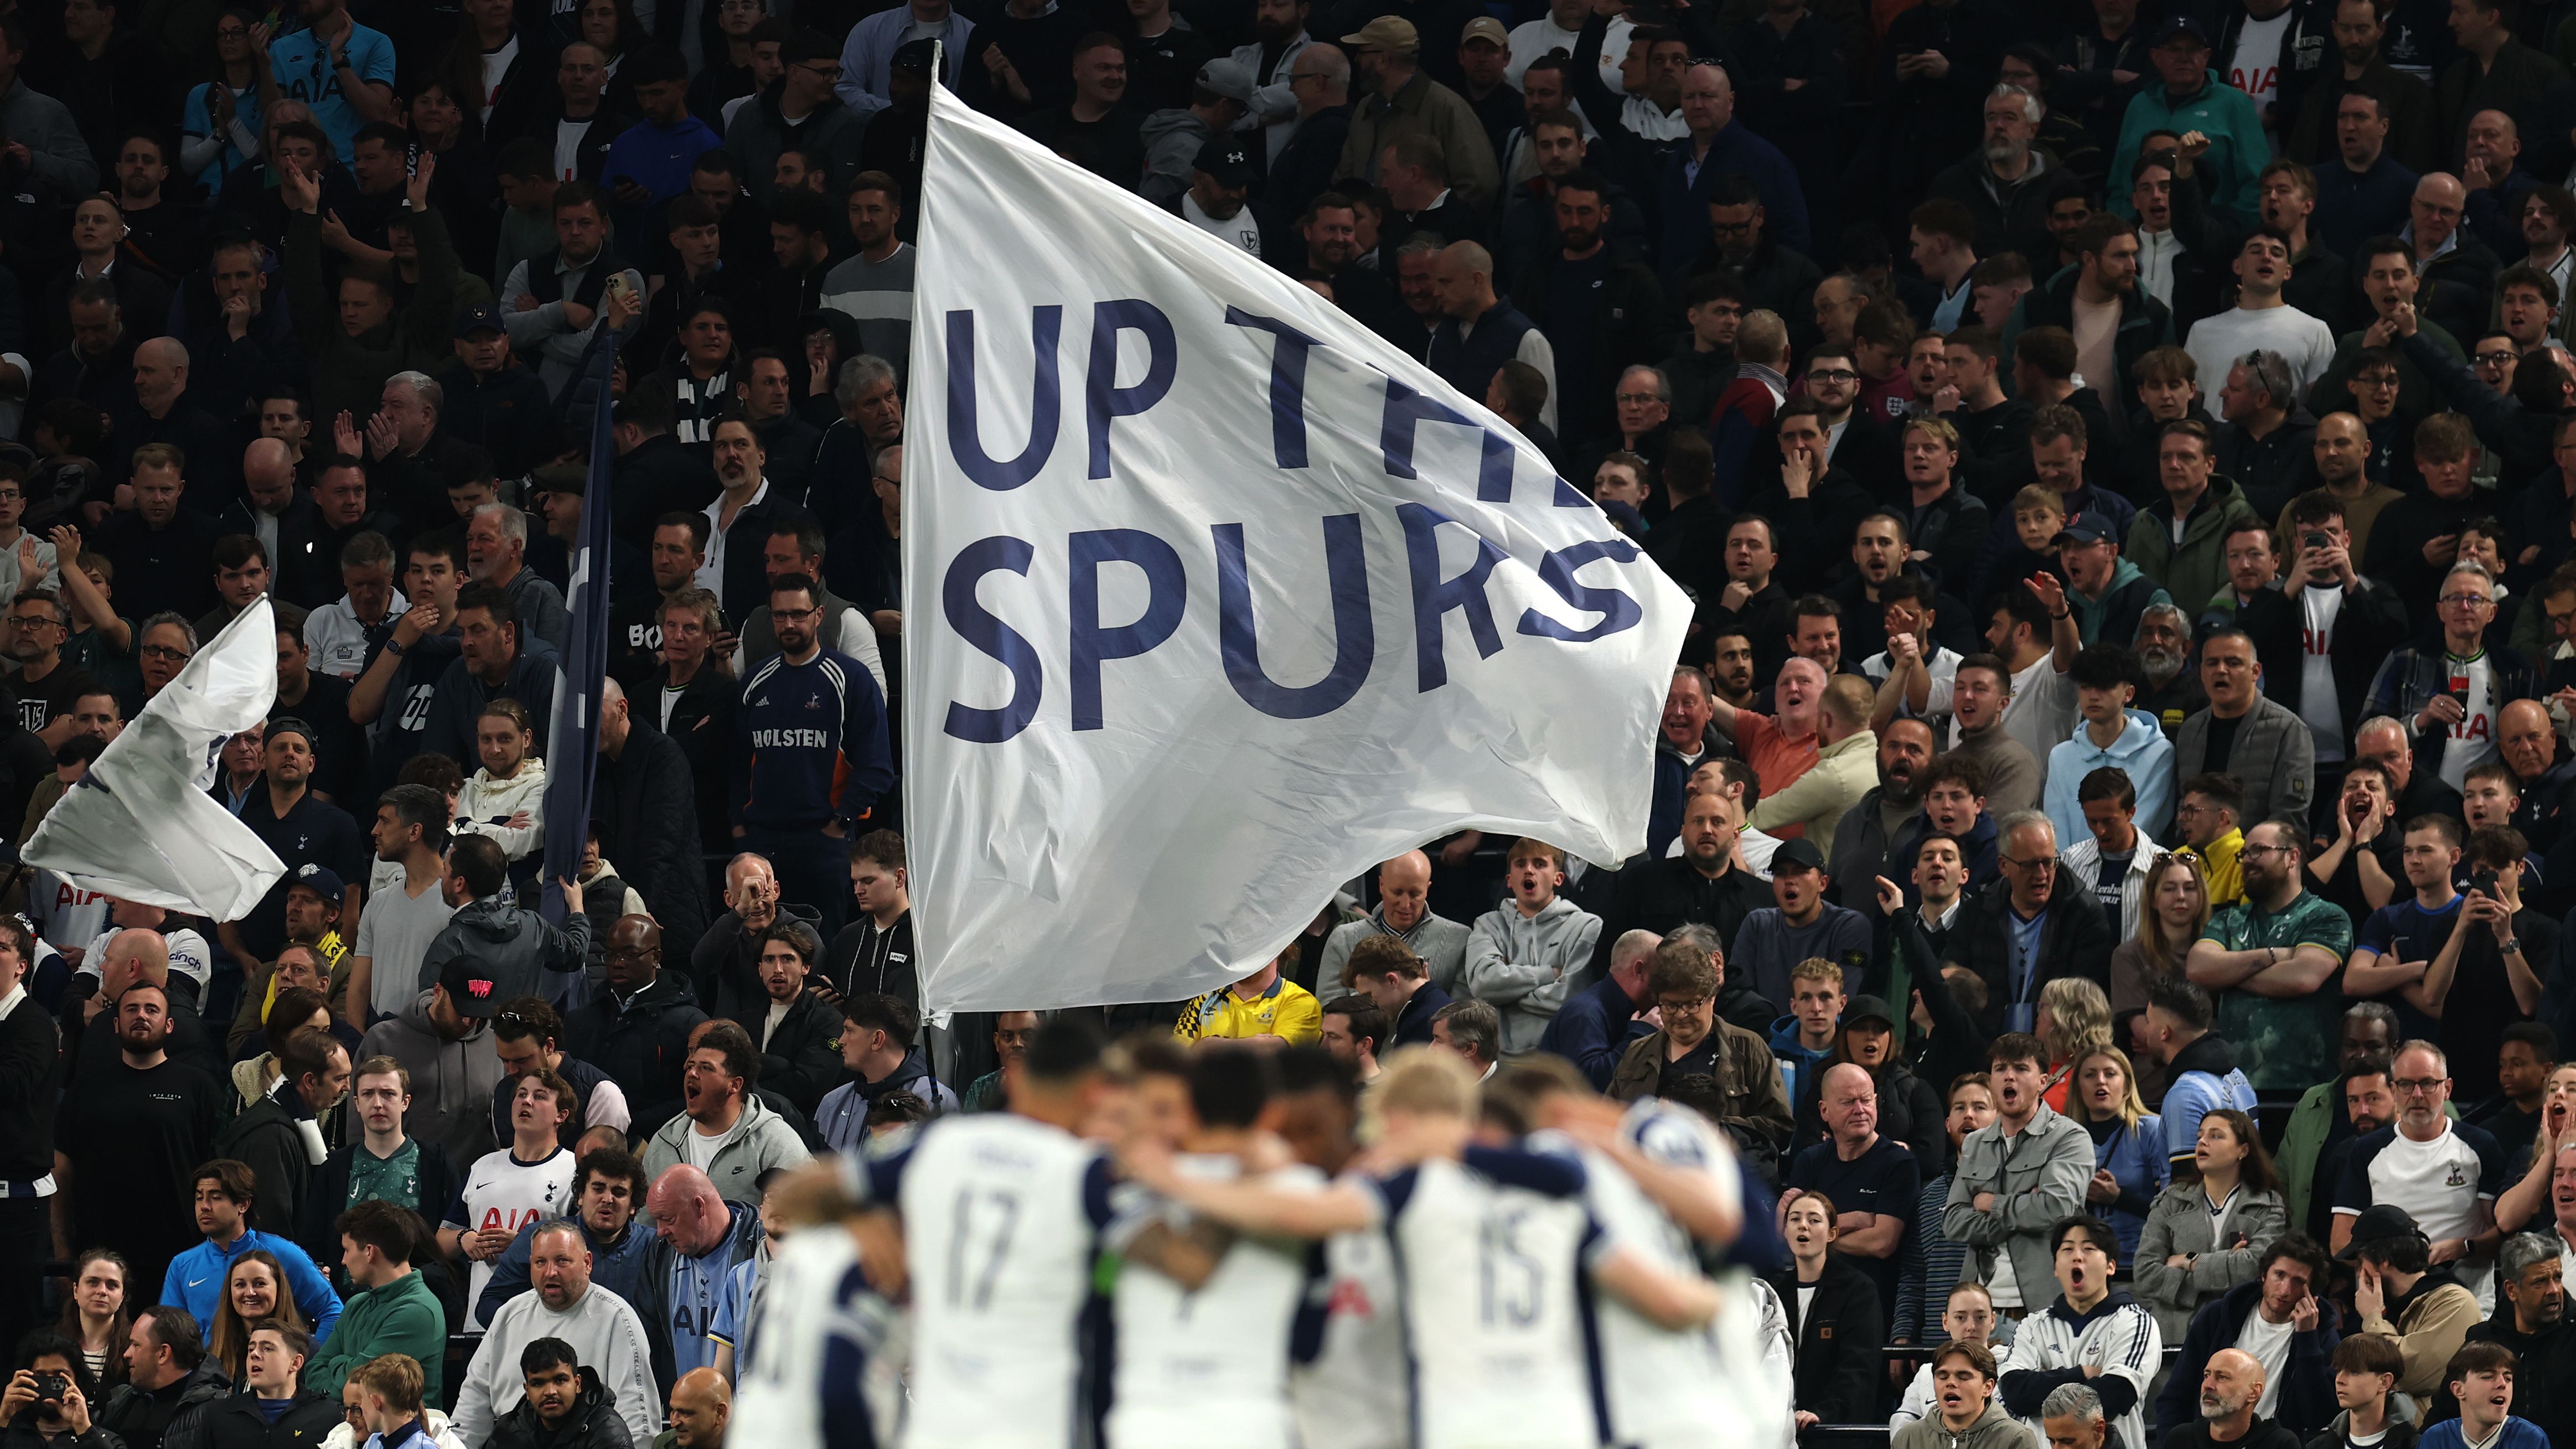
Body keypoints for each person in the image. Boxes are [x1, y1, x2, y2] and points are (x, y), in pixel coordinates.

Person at [54, 981, 220, 1302]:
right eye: (132, 1009)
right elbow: (61, 1171)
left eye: (151, 1009)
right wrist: (62, 1252)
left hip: (179, 1254)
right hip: (100, 1257)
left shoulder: (199, 1087)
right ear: (116, 1024)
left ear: (169, 1025)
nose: (141, 1016)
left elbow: (218, 1170)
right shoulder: (86, 1089)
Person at [449, 1221, 656, 1449]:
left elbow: (636, 1424)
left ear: (587, 1263)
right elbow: (472, 1405)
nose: (550, 1272)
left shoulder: (618, 1318)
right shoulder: (508, 1315)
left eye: (562, 1261)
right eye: (540, 1262)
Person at [2333, 1042, 2506, 1306]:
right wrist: (2395, 1265)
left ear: (2447, 1088)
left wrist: (2464, 1247)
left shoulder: (2481, 1146)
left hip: (2468, 1305)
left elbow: (2502, 1234)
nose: (2416, 1094)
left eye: (2427, 1083)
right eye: (2406, 1084)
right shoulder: (2366, 1151)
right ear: (2393, 1090)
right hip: (2389, 1307)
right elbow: (2340, 1242)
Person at [1607, 939, 1795, 1170]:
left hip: (1724, 1180)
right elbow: (1610, 1118)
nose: (1680, 1015)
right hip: (1648, 1180)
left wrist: (1713, 1129)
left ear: (1712, 997)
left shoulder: (1749, 1048)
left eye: (1691, 1004)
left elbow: (1780, 1127)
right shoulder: (1638, 1052)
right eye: (1670, 1005)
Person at [1945, 1034, 2096, 1317]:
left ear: (2043, 1081)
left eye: (2021, 1068)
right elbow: (1953, 1221)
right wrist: (2025, 1212)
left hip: (2044, 1307)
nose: (2009, 1077)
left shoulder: (2069, 1138)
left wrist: (1992, 1204)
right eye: (2000, 1068)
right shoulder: (1975, 1143)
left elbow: (2056, 1208)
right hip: (1979, 1311)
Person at [1996, 1214, 2164, 1449]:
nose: (2077, 1256)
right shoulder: (2033, 1326)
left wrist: (2043, 1380)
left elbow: (2116, 1395)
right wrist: (2082, 1373)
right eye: (2067, 1249)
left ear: (2111, 1266)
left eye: (2089, 1249)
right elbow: (2015, 1392)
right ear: (2055, 1268)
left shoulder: (2135, 1323)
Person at [2155, 1235, 2340, 1438]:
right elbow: (2177, 1395)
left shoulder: (2321, 1335)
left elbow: (2318, 1416)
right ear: (2264, 1274)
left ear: (2310, 1291)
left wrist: (2307, 1339)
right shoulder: (2219, 1317)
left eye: (2298, 1282)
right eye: (2279, 1275)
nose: (2285, 1289)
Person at [2137, 1108, 2290, 1343]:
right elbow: (2145, 1272)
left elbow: (2255, 1268)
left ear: (2243, 1150)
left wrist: (2189, 1261)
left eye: (2216, 1136)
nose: (2203, 1142)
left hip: (2240, 1338)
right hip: (2174, 1338)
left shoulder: (2267, 1205)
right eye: (2200, 1136)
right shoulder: (2171, 1200)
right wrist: (2226, 1271)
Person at [1784, 1061, 1922, 1311]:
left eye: (1866, 1100)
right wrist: (1855, 1220)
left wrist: (1817, 1239)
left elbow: (1882, 1242)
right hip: (1813, 1300)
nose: (1860, 1110)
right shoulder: (1810, 1161)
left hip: (1871, 1303)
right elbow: (1790, 1235)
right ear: (1824, 1111)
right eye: (1848, 1102)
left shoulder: (1899, 1163)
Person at [446, 1070, 579, 1327]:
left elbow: (583, 1249)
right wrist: (464, 1238)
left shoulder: (574, 1170)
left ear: (561, 1115)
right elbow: (443, 1238)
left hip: (545, 1322)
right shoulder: (483, 1166)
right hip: (479, 1322)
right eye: (522, 1094)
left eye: (540, 1096)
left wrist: (523, 1244)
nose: (526, 1101)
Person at [1461, 838, 1600, 1058]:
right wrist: (1550, 974)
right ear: (1509, 880)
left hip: (1558, 1058)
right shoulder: (1488, 925)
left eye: (1539, 864)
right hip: (1498, 1058)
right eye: (1520, 864)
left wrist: (1505, 991)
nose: (1529, 870)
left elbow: (1569, 998)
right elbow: (1483, 984)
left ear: (1558, 878)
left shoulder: (1586, 926)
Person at [2344, 1203, 2486, 1416]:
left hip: (2432, 1430)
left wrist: (2373, 1318)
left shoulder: (2455, 1302)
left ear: (2384, 1261)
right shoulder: (2385, 1304)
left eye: (2360, 1263)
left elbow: (2409, 1374)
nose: (2359, 1274)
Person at [637, 1024, 813, 1197]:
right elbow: (645, 1213)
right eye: (691, 1066)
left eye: (706, 1068)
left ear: (735, 1085)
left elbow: (805, 1207)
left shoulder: (775, 1141)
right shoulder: (665, 1141)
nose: (692, 1073)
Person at [412, 839, 587, 1010]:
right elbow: (575, 952)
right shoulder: (534, 927)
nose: (441, 875)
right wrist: (577, 908)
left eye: (445, 869)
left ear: (459, 884)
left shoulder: (449, 944)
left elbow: (432, 1010)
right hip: (527, 1031)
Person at [303, 1200, 442, 1401]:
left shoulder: (417, 1312)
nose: (343, 1261)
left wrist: (336, 1364)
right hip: (345, 1420)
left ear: (370, 1252)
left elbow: (364, 1388)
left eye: (347, 1250)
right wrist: (347, 1366)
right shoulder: (355, 1304)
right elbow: (314, 1372)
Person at [1768, 1190, 1885, 1425]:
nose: (1803, 1226)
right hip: (1778, 1426)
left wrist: (1822, 1413)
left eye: (1814, 1220)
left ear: (1832, 1234)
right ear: (1785, 1231)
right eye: (1795, 1219)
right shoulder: (1774, 1293)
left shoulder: (1858, 1290)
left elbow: (1858, 1367)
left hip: (1832, 1428)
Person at [814, 995, 960, 1152]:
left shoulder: (936, 1101)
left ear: (877, 1040)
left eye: (849, 1031)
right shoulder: (833, 1102)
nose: (841, 1041)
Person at [94, 1308, 226, 1449]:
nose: (127, 1354)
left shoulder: (215, 1412)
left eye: (136, 1345)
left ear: (163, 1353)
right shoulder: (124, 1402)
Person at [2419, 1342, 2550, 1449]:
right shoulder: (2436, 1439)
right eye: (2488, 1377)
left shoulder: (2530, 1439)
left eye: (2508, 1378)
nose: (2502, 1384)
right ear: (2459, 1390)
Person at [2312, 1334, 2419, 1449]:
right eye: (2338, 1371)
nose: (2339, 1380)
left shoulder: (2415, 1445)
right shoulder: (2317, 1446)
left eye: (2354, 1372)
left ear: (2385, 1382)